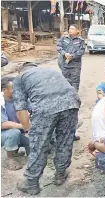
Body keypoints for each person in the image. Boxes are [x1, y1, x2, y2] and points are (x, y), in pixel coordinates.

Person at [13, 63, 80, 195]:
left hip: (46, 108)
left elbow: (21, 109)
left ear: (20, 71)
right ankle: (60, 175)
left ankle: (31, 183)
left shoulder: (20, 77)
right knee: (65, 141)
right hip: (72, 103)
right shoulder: (51, 71)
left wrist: (28, 130)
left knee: (39, 145)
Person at [1, 77, 30, 170]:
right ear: (4, 90)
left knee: (33, 142)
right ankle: (10, 159)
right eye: (14, 88)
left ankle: (16, 150)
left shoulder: (18, 98)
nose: (17, 90)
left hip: (19, 131)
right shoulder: (1, 103)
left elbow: (32, 108)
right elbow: (3, 124)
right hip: (3, 134)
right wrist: (25, 126)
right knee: (14, 132)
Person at [56, 24, 85, 92]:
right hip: (65, 65)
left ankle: (74, 97)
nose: (70, 30)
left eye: (72, 29)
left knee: (75, 82)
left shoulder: (80, 40)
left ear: (77, 30)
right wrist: (65, 53)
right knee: (65, 81)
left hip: (75, 66)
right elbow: (59, 47)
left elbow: (81, 51)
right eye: (69, 28)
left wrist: (72, 56)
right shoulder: (64, 38)